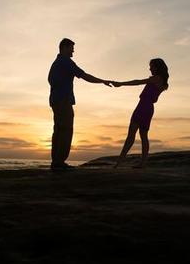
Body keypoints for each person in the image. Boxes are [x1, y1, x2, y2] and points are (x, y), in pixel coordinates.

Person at [48, 38, 111, 170]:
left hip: (56, 100)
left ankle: (56, 162)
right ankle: (59, 162)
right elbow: (84, 75)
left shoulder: (56, 63)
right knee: (65, 130)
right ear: (64, 47)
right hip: (63, 101)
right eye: (71, 48)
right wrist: (102, 81)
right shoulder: (65, 62)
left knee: (58, 130)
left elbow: (50, 80)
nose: (73, 51)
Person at [111, 58, 169, 168]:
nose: (150, 68)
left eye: (151, 66)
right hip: (149, 108)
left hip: (142, 107)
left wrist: (121, 84)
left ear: (157, 67)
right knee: (143, 136)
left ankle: (119, 163)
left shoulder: (155, 79)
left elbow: (137, 82)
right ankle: (142, 163)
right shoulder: (163, 83)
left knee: (130, 137)